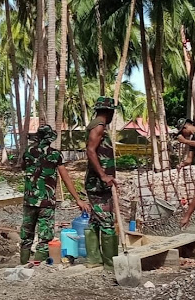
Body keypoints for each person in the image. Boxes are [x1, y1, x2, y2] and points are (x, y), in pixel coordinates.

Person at [20, 124, 90, 264]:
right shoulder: (55, 154)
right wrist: (77, 199)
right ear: (50, 138)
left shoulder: (28, 152)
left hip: (30, 200)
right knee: (45, 237)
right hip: (46, 202)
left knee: (26, 235)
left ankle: (23, 264)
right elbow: (65, 177)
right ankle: (37, 266)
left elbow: (24, 169)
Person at [84, 96, 118, 270]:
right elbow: (90, 150)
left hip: (96, 182)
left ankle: (94, 259)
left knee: (95, 220)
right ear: (109, 111)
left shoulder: (96, 124)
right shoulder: (98, 126)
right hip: (98, 183)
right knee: (107, 221)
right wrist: (104, 175)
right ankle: (111, 264)